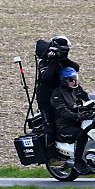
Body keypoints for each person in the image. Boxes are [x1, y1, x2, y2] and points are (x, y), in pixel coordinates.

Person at [36, 36, 80, 164]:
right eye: (64, 50)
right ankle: (52, 157)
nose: (66, 53)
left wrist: (63, 59)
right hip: (45, 99)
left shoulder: (61, 60)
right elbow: (47, 78)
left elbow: (75, 67)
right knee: (50, 126)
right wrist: (52, 61)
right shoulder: (45, 62)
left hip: (61, 96)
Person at [50, 66, 95, 173]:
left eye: (75, 78)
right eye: (71, 79)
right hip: (65, 127)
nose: (74, 81)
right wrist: (77, 116)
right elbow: (62, 111)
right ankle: (78, 162)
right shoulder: (57, 94)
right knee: (81, 134)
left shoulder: (76, 89)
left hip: (77, 122)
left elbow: (88, 97)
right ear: (64, 81)